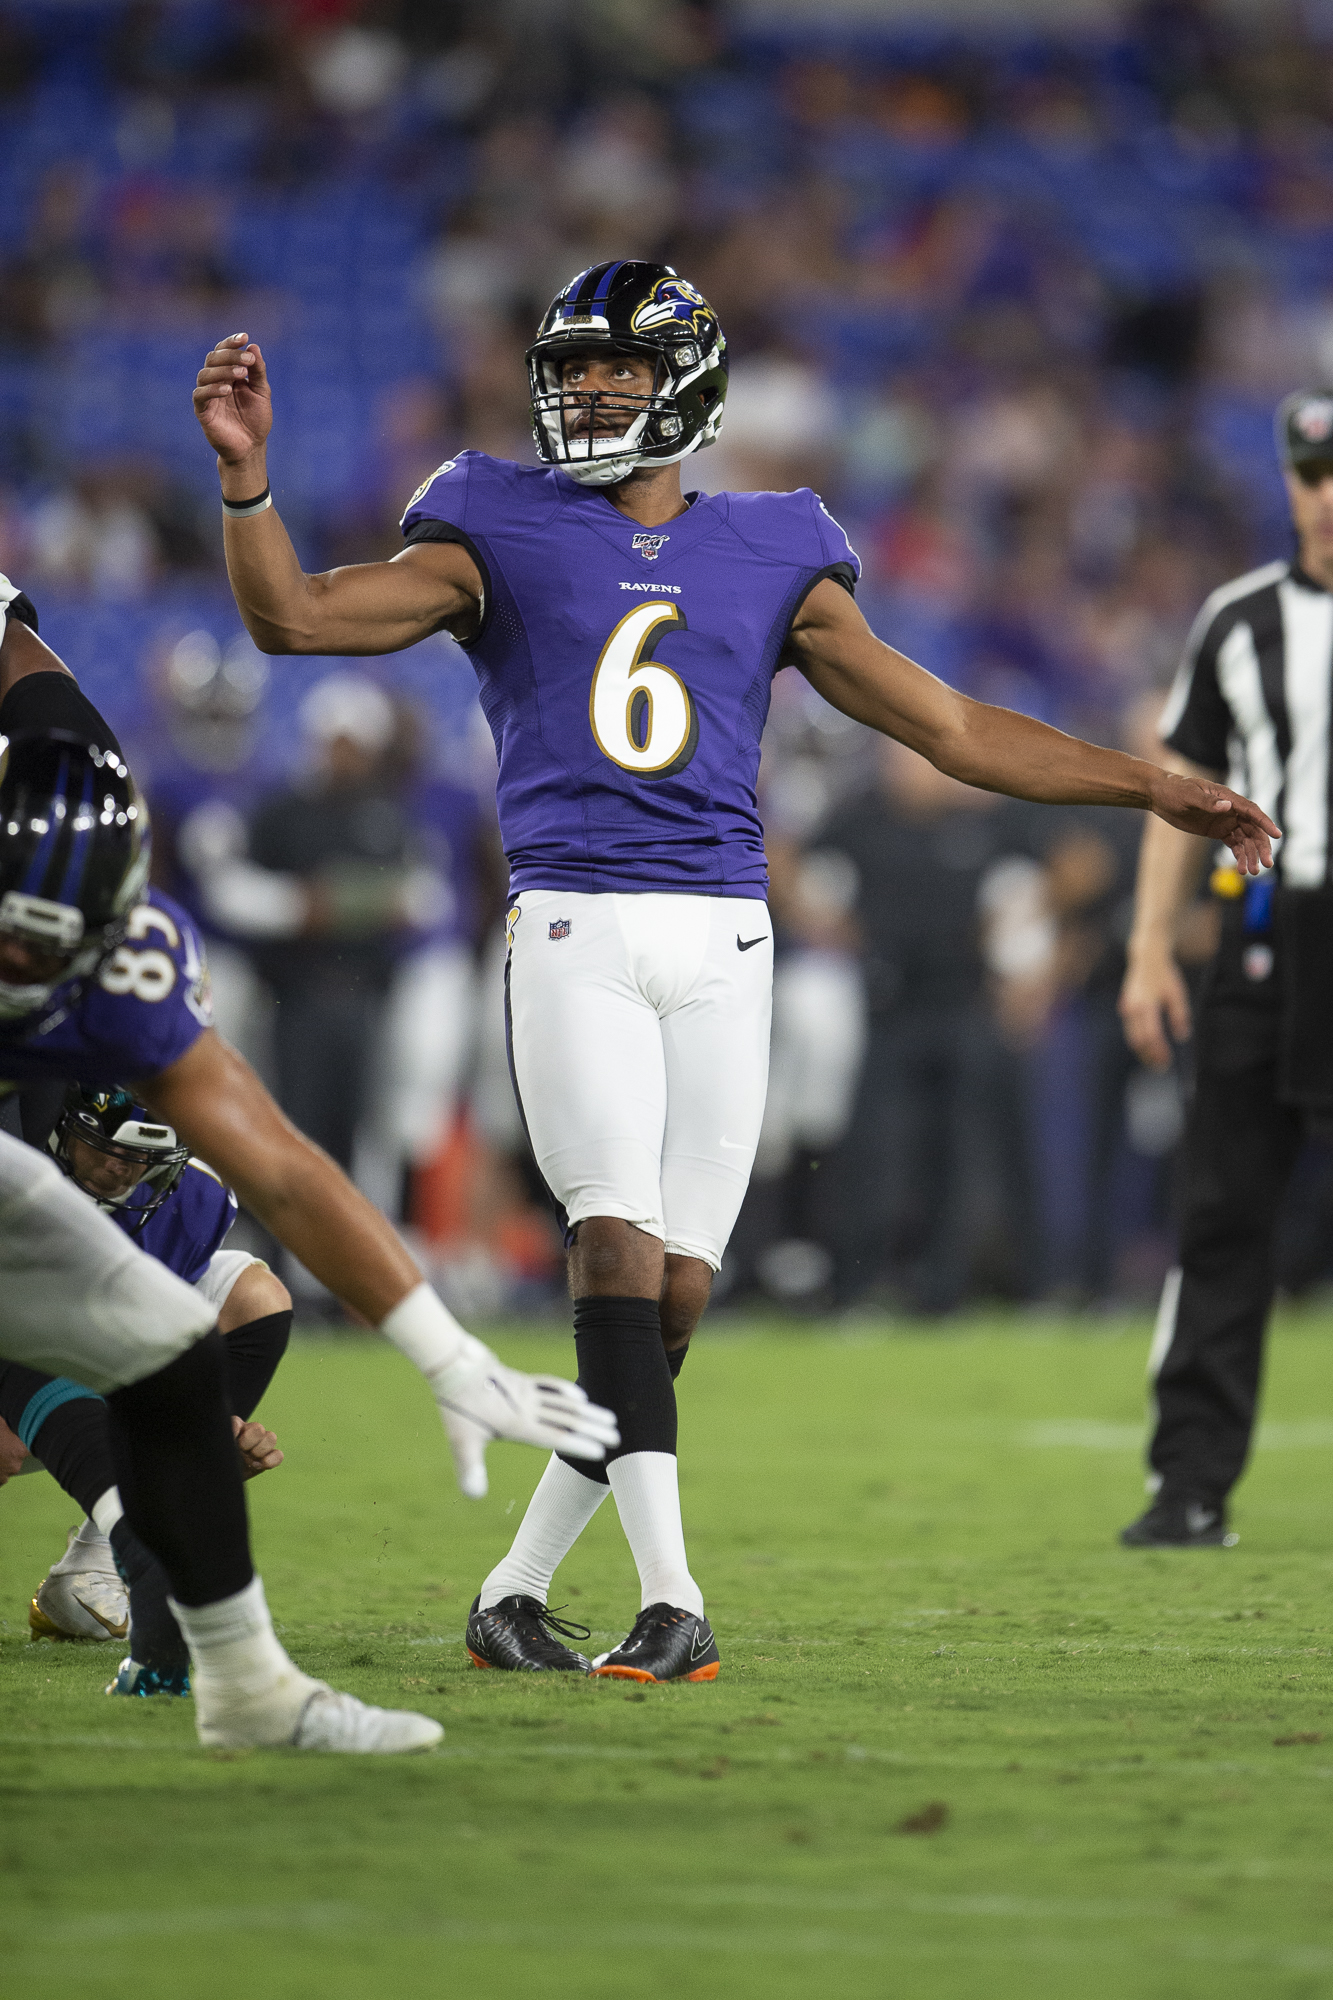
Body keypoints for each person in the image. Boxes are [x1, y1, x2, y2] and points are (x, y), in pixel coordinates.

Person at [192, 262, 1275, 1681]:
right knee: (615, 1248)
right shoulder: (492, 520)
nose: (589, 391)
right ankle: (674, 1599)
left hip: (728, 936)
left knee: (674, 1305)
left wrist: (1151, 786)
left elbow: (951, 727)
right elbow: (294, 617)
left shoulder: (773, 544)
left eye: (619, 369)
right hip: (576, 919)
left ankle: (514, 1590)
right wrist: (249, 483)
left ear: (688, 386)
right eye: (573, 368)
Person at [0, 580, 616, 1745]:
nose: (31, 971)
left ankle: (241, 1684)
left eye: (57, 946)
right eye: (14, 941)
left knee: (170, 1348)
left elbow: (280, 1168)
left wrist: (444, 1349)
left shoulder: (122, 959)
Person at [1117, 389, 1333, 1546]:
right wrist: (1149, 944)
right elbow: (1180, 789)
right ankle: (1189, 1484)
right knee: (1221, 1209)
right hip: (1264, 937)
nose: (1327, 496)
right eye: (1311, 474)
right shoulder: (1237, 619)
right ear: (1286, 480)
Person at [7, 1083, 290, 1699]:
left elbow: (135, 1333)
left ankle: (96, 1565)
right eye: (105, 1147)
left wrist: (196, 1433)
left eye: (140, 1156)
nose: (122, 1168)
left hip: (75, 1357)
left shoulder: (193, 1199)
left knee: (254, 1296)